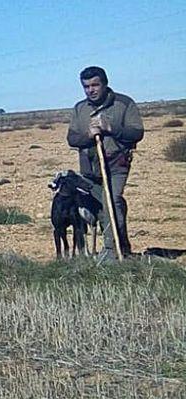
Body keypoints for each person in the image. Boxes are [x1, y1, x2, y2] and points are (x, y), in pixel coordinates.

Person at [67, 66, 143, 260]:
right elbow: (72, 139)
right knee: (103, 207)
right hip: (90, 166)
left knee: (112, 201)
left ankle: (111, 250)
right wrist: (88, 135)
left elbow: (137, 133)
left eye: (95, 85)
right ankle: (122, 246)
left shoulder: (124, 103)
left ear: (105, 84)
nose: (90, 90)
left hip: (116, 163)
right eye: (86, 86)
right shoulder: (79, 108)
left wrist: (111, 128)